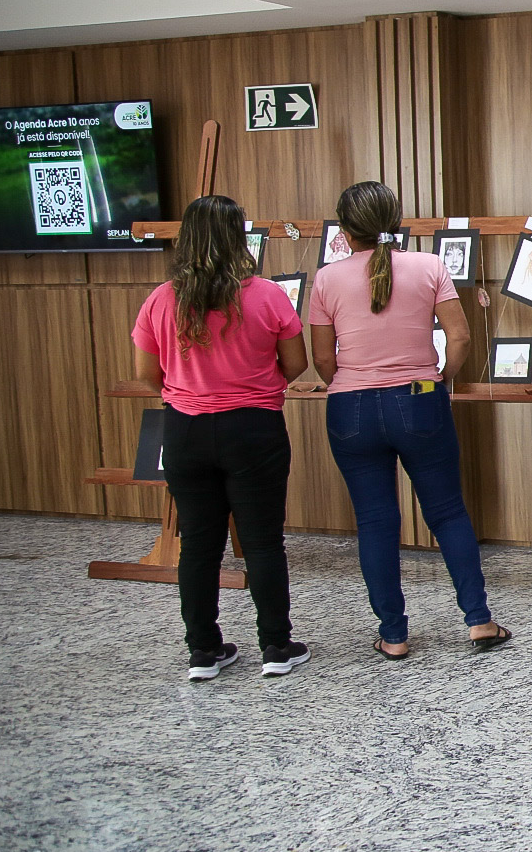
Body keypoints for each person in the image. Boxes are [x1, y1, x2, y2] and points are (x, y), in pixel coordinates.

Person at [309, 182, 511, 660]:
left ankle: (394, 636)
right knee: (447, 513)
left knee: (376, 521)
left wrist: (352, 379)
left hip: (350, 407)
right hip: (419, 399)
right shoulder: (429, 266)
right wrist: (440, 378)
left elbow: (322, 359)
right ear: (397, 220)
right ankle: (479, 621)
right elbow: (458, 339)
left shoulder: (326, 278)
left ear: (344, 228)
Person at [131, 195, 312, 680]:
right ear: (240, 239)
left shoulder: (160, 298)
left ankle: (203, 652)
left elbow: (149, 372)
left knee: (198, 544)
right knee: (263, 543)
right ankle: (276, 645)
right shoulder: (268, 295)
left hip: (185, 429)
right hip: (254, 428)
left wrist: (189, 391)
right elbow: (296, 364)